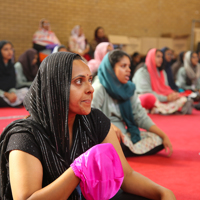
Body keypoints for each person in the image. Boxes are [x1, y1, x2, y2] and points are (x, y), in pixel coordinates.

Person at [0, 52, 176, 200]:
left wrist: (162, 192)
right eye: (79, 81)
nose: (90, 89)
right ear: (55, 87)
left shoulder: (94, 119)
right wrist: (77, 171)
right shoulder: (25, 135)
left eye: (90, 80)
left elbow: (126, 176)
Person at [92, 49, 173, 158]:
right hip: (106, 134)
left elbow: (140, 115)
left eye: (129, 66)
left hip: (124, 135)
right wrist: (109, 127)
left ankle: (120, 151)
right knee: (112, 141)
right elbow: (90, 116)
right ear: (111, 69)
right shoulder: (99, 88)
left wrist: (163, 135)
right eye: (123, 66)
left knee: (158, 140)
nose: (128, 70)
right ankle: (117, 151)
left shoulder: (128, 88)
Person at [133, 48, 192, 115]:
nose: (161, 59)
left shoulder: (162, 72)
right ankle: (161, 109)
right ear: (151, 57)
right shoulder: (142, 72)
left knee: (183, 99)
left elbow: (166, 88)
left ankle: (159, 109)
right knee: (149, 97)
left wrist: (172, 94)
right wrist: (166, 98)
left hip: (161, 99)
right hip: (148, 98)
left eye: (161, 57)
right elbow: (145, 92)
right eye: (158, 56)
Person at [0, 40, 28, 107]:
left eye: (11, 49)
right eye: (6, 49)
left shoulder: (12, 66)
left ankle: (10, 102)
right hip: (1, 94)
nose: (10, 52)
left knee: (26, 91)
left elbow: (12, 84)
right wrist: (7, 95)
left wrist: (12, 93)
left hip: (8, 93)